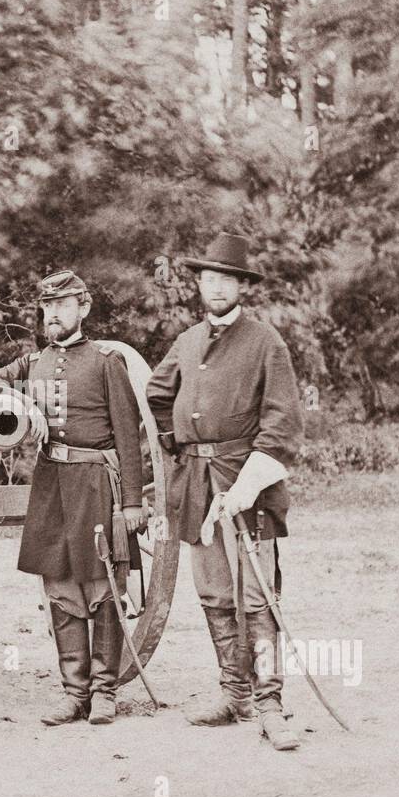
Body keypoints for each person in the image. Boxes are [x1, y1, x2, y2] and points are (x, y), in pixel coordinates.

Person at [146, 232, 306, 750]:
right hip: (196, 487)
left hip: (247, 488)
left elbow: (282, 423)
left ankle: (270, 704)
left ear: (242, 286)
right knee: (215, 594)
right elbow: (155, 393)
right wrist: (175, 445)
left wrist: (247, 484)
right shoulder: (189, 341)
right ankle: (234, 694)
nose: (216, 287)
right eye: (208, 278)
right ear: (199, 284)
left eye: (227, 279)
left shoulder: (266, 343)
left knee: (256, 597)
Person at [0, 270, 145, 726]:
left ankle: (104, 692)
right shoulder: (32, 363)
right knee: (59, 588)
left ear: (84, 308)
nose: (53, 314)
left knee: (102, 588)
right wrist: (3, 399)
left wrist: (132, 502)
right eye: (47, 307)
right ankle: (73, 693)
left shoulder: (105, 361)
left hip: (96, 481)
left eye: (62, 305)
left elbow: (128, 439)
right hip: (50, 482)